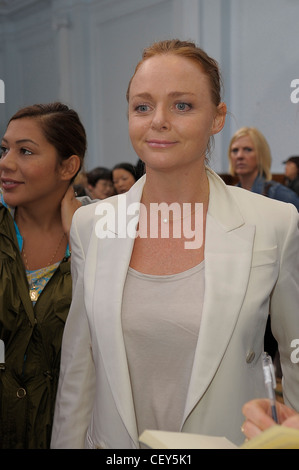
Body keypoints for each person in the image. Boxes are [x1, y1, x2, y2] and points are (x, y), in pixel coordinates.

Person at [51, 39, 299, 449]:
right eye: (142, 106)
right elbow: (80, 367)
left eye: (182, 105)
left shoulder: (273, 222)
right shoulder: (91, 225)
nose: (158, 121)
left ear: (217, 117)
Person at [0, 102, 86, 449]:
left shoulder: (104, 239)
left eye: (25, 151)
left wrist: (82, 237)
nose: (6, 162)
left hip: (69, 432)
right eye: (5, 149)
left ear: (67, 166)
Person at [228, 126, 299, 211]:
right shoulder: (229, 195)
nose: (239, 156)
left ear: (261, 154)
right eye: (235, 150)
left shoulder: (281, 195)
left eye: (248, 149)